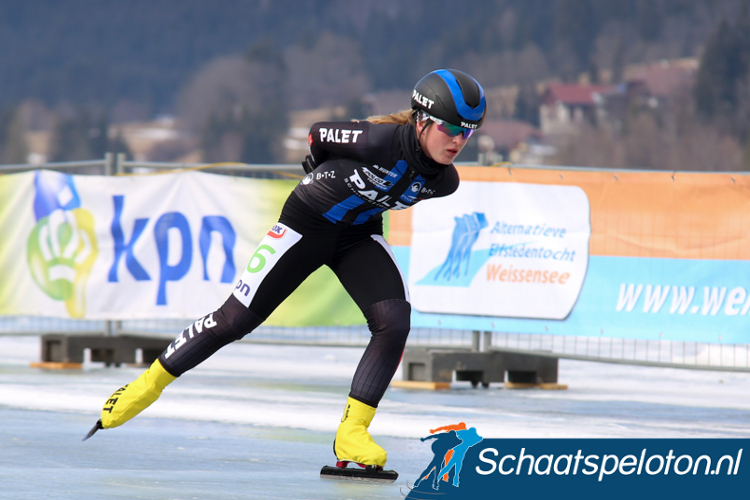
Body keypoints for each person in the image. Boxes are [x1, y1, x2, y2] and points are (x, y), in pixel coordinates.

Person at [93, 69, 486, 471]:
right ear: (421, 120)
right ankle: (145, 387)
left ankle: (352, 434)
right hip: (307, 224)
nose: (458, 141)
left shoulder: (444, 181)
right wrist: (318, 167)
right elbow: (319, 132)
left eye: (468, 133)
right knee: (234, 320)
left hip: (357, 236)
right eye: (451, 128)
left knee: (394, 321)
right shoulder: (377, 141)